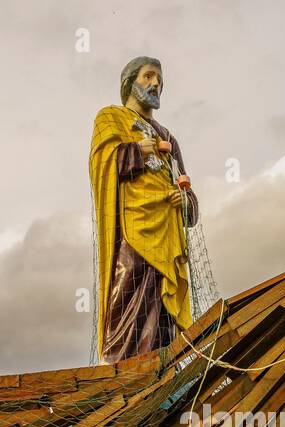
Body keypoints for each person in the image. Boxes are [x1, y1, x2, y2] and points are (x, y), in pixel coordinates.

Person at [89, 56, 200, 363]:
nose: (156, 84)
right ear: (130, 82)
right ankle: (123, 373)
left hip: (168, 235)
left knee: (162, 313)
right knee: (129, 302)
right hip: (133, 232)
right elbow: (102, 162)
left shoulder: (168, 137)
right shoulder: (111, 117)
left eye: (160, 80)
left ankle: (162, 369)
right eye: (149, 77)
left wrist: (186, 201)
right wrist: (138, 149)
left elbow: (186, 186)